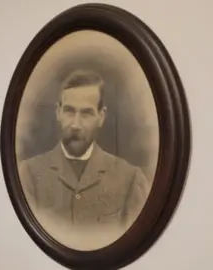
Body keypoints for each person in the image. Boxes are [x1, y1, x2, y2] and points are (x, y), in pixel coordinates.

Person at [18, 69, 151, 230]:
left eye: (86, 113)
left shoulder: (131, 180)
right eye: (69, 111)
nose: (76, 124)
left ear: (101, 117)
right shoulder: (28, 175)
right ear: (58, 112)